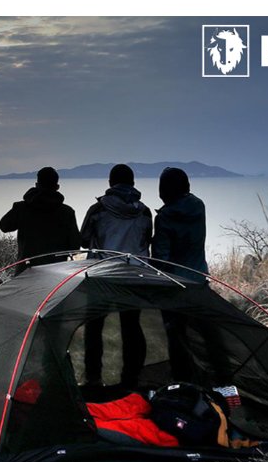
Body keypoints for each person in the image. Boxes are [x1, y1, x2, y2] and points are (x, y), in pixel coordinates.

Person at [79, 164, 152, 388]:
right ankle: (131, 379)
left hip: (102, 274)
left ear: (110, 183)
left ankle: (93, 379)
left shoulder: (98, 209)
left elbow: (84, 239)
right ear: (133, 183)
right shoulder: (145, 212)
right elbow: (146, 241)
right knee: (131, 327)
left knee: (94, 326)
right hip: (134, 275)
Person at [151, 167, 209, 382]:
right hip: (199, 279)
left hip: (174, 284)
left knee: (176, 335)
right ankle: (205, 377)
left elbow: (161, 258)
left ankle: (181, 380)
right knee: (200, 335)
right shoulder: (199, 206)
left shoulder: (165, 217)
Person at [0, 167, 80, 274]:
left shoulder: (21, 208)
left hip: (26, 270)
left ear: (37, 185)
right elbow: (75, 247)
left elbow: (4, 226)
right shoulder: (67, 212)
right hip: (56, 272)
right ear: (57, 187)